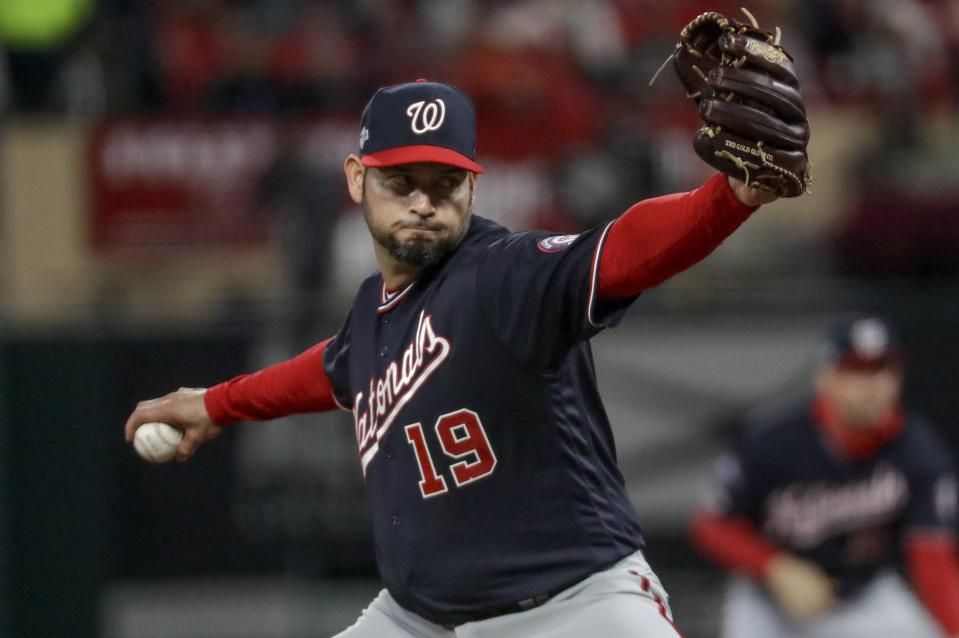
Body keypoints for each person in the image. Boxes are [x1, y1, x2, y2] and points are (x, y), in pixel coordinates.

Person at [125, 78, 777, 637]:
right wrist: (214, 404)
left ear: (472, 185)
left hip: (571, 608)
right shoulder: (374, 311)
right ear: (357, 178)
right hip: (420, 618)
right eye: (400, 180)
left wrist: (729, 198)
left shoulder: (504, 276)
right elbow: (335, 368)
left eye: (444, 183)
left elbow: (623, 249)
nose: (422, 201)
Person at [690, 315, 959, 638]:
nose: (873, 385)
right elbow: (710, 525)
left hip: (865, 596)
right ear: (826, 377)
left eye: (883, 370)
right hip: (771, 599)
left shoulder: (918, 451)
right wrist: (774, 567)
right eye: (856, 370)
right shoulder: (774, 440)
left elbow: (932, 560)